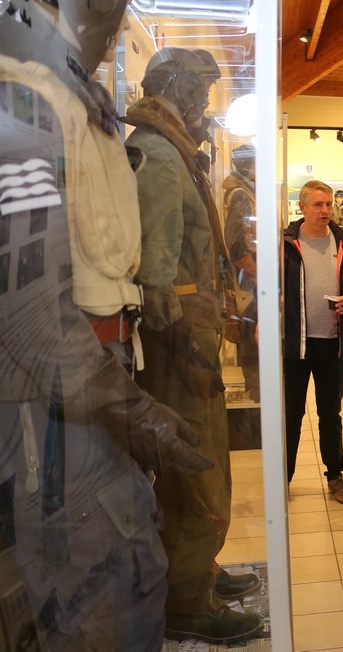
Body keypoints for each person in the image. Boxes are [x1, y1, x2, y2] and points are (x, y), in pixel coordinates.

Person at [0, 0, 213, 650]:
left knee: (132, 572)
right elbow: (32, 318)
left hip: (94, 386)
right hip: (60, 406)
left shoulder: (67, 96)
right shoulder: (24, 100)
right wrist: (138, 413)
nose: (120, 16)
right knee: (101, 599)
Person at [126, 47, 263, 643]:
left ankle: (195, 572)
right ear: (174, 88)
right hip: (179, 342)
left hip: (189, 334)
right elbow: (156, 276)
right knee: (196, 469)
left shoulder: (173, 153)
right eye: (199, 90)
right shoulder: (160, 156)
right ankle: (186, 602)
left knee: (200, 464)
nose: (205, 101)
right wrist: (188, 353)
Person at [283, 180, 343, 504]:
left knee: (330, 414)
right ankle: (283, 478)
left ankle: (336, 477)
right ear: (302, 207)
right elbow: (272, 287)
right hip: (295, 344)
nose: (325, 210)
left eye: (328, 204)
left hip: (332, 344)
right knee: (291, 415)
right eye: (318, 204)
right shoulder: (286, 244)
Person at [222, 144, 259, 401]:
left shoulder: (245, 192)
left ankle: (257, 394)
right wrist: (258, 275)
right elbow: (235, 244)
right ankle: (256, 397)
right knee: (252, 343)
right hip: (247, 282)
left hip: (249, 278)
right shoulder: (240, 195)